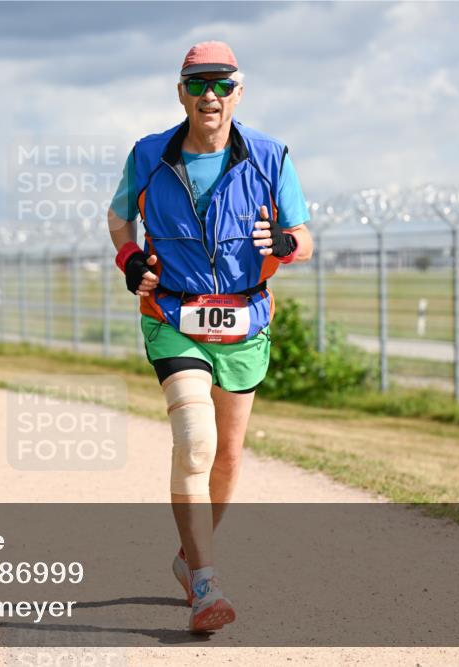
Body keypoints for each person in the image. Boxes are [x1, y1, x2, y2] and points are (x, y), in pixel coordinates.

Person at [108, 41, 314, 633]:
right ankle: (206, 585)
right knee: (195, 441)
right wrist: (129, 259)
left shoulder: (272, 156)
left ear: (238, 93)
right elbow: (119, 217)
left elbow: (303, 236)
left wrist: (286, 245)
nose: (210, 96)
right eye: (198, 84)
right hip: (173, 317)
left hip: (246, 323)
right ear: (180, 92)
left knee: (226, 457)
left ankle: (187, 556)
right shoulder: (149, 154)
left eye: (222, 84)